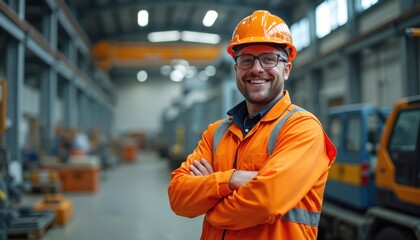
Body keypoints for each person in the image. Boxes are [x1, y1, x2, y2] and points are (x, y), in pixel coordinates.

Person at [167, 10, 337, 240]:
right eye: (246, 59)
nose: (256, 69)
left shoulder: (302, 128)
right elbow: (178, 198)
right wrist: (232, 179)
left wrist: (210, 204)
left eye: (269, 58)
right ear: (236, 69)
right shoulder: (216, 133)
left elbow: (266, 202)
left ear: (286, 69)